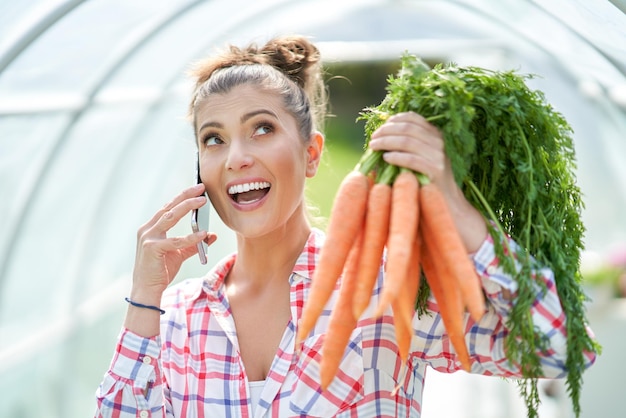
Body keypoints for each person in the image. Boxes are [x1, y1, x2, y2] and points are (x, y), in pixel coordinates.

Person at [94, 35, 596, 418]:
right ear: (200, 166)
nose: (237, 158)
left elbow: (564, 350)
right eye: (214, 139)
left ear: (311, 155)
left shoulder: (386, 290)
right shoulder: (177, 315)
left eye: (261, 129)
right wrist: (144, 297)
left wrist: (456, 209)